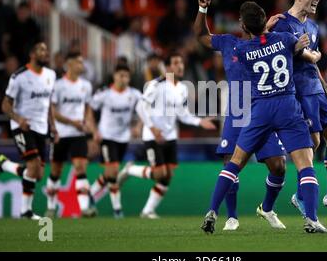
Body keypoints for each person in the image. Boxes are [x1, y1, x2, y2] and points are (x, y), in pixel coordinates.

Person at [201, 0, 327, 234]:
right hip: (287, 106)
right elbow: (300, 53)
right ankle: (311, 219)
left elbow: (255, 43)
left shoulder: (240, 49)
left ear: (243, 25)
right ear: (265, 21)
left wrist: (261, 31)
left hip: (259, 108)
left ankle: (212, 210)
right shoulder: (286, 40)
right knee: (305, 165)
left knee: (236, 162)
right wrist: (308, 51)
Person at [193, 0, 287, 231]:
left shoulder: (270, 42)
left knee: (278, 166)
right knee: (231, 163)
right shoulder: (228, 42)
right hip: (237, 109)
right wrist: (202, 10)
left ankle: (266, 208)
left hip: (264, 107)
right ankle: (232, 216)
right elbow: (201, 36)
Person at [272, 0, 327, 218]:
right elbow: (279, 57)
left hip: (316, 89)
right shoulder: (282, 24)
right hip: (298, 90)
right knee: (313, 142)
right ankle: (300, 195)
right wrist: (301, 51)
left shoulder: (314, 27)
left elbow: (314, 63)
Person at [117, 53, 216, 219]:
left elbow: (182, 114)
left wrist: (199, 122)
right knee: (159, 173)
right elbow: (140, 107)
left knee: (167, 176)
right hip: (152, 135)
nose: (180, 66)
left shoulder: (183, 88)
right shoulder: (156, 84)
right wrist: (152, 128)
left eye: (181, 63)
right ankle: (129, 169)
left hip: (170, 136)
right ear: (168, 67)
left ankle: (147, 211)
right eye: (176, 63)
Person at [0, 42, 57, 219]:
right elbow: (5, 105)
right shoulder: (19, 77)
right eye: (41, 50)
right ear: (32, 54)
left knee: (38, 174)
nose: (46, 52)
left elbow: (49, 103)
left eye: (46, 49)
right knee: (33, 167)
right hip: (22, 126)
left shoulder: (51, 75)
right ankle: (25, 211)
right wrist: (19, 119)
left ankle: (4, 164)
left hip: (42, 128)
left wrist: (53, 126)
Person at [45, 52, 99, 218]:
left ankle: (83, 208)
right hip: (60, 134)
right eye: (78, 62)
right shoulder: (58, 85)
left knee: (80, 168)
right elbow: (52, 111)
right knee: (56, 171)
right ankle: (51, 207)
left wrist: (91, 126)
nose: (81, 65)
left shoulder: (86, 86)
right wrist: (72, 122)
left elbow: (87, 108)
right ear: (69, 64)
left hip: (78, 134)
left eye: (82, 62)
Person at [88, 64, 143, 218]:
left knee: (109, 173)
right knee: (113, 172)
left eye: (126, 76)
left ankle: (90, 194)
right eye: (120, 75)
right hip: (106, 137)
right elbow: (89, 109)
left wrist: (138, 126)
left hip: (123, 138)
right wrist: (94, 131)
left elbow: (144, 111)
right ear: (114, 76)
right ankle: (117, 209)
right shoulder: (105, 94)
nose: (123, 79)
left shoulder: (134, 94)